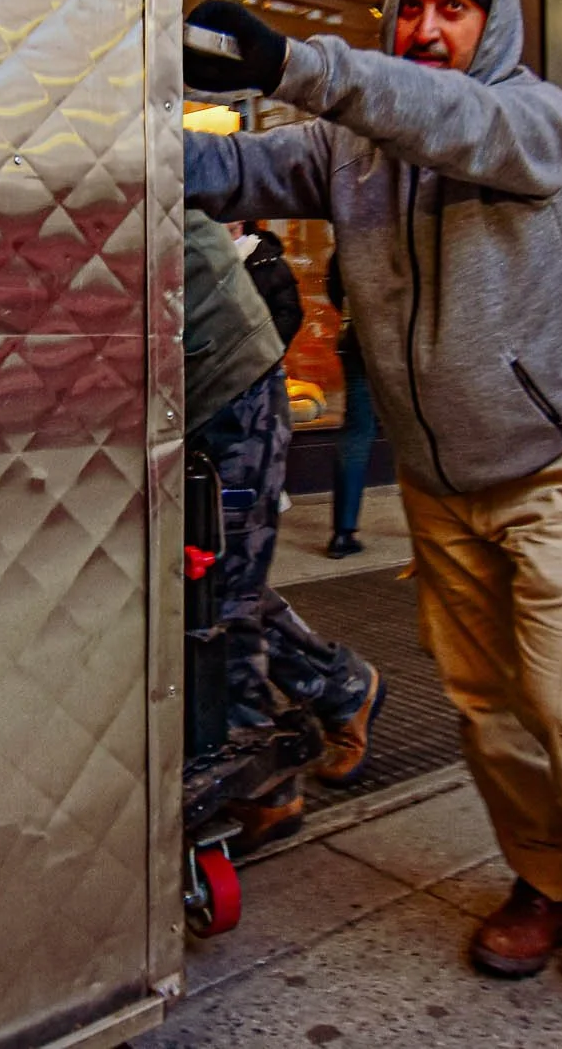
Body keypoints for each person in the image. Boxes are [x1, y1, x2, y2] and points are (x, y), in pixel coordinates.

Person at [182, 0, 562, 999]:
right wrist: (102, 126)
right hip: (442, 480)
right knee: (488, 703)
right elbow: (232, 168)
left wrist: (289, 63)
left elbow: (447, 124)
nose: (425, 27)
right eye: (409, 5)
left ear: (489, 21)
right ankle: (545, 883)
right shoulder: (350, 148)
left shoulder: (532, 120)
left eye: (451, 8)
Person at [183, 208, 385, 848]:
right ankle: (343, 685)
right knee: (212, 577)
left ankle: (266, 790)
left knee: (223, 592)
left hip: (228, 393)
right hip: (185, 390)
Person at [325, 257, 375, 559]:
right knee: (416, 433)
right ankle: (432, 524)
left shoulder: (355, 231)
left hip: (357, 335)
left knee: (356, 430)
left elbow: (335, 285)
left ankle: (343, 531)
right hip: (405, 340)